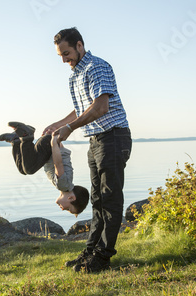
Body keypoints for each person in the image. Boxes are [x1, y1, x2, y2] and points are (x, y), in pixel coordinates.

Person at [44, 27, 132, 273]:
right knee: (96, 199)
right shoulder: (75, 75)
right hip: (95, 140)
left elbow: (100, 106)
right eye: (60, 55)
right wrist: (59, 124)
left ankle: (103, 257)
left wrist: (70, 128)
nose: (64, 59)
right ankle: (90, 252)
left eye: (67, 53)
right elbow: (81, 109)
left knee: (110, 199)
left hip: (113, 137)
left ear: (80, 46)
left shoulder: (97, 67)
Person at [0, 121, 89, 216]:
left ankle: (16, 140)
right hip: (49, 146)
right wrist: (54, 141)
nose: (63, 209)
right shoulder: (63, 185)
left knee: (23, 170)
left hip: (48, 145)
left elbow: (63, 157)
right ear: (71, 198)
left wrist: (55, 139)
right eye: (68, 208)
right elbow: (58, 164)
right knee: (29, 169)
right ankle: (26, 136)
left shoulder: (65, 184)